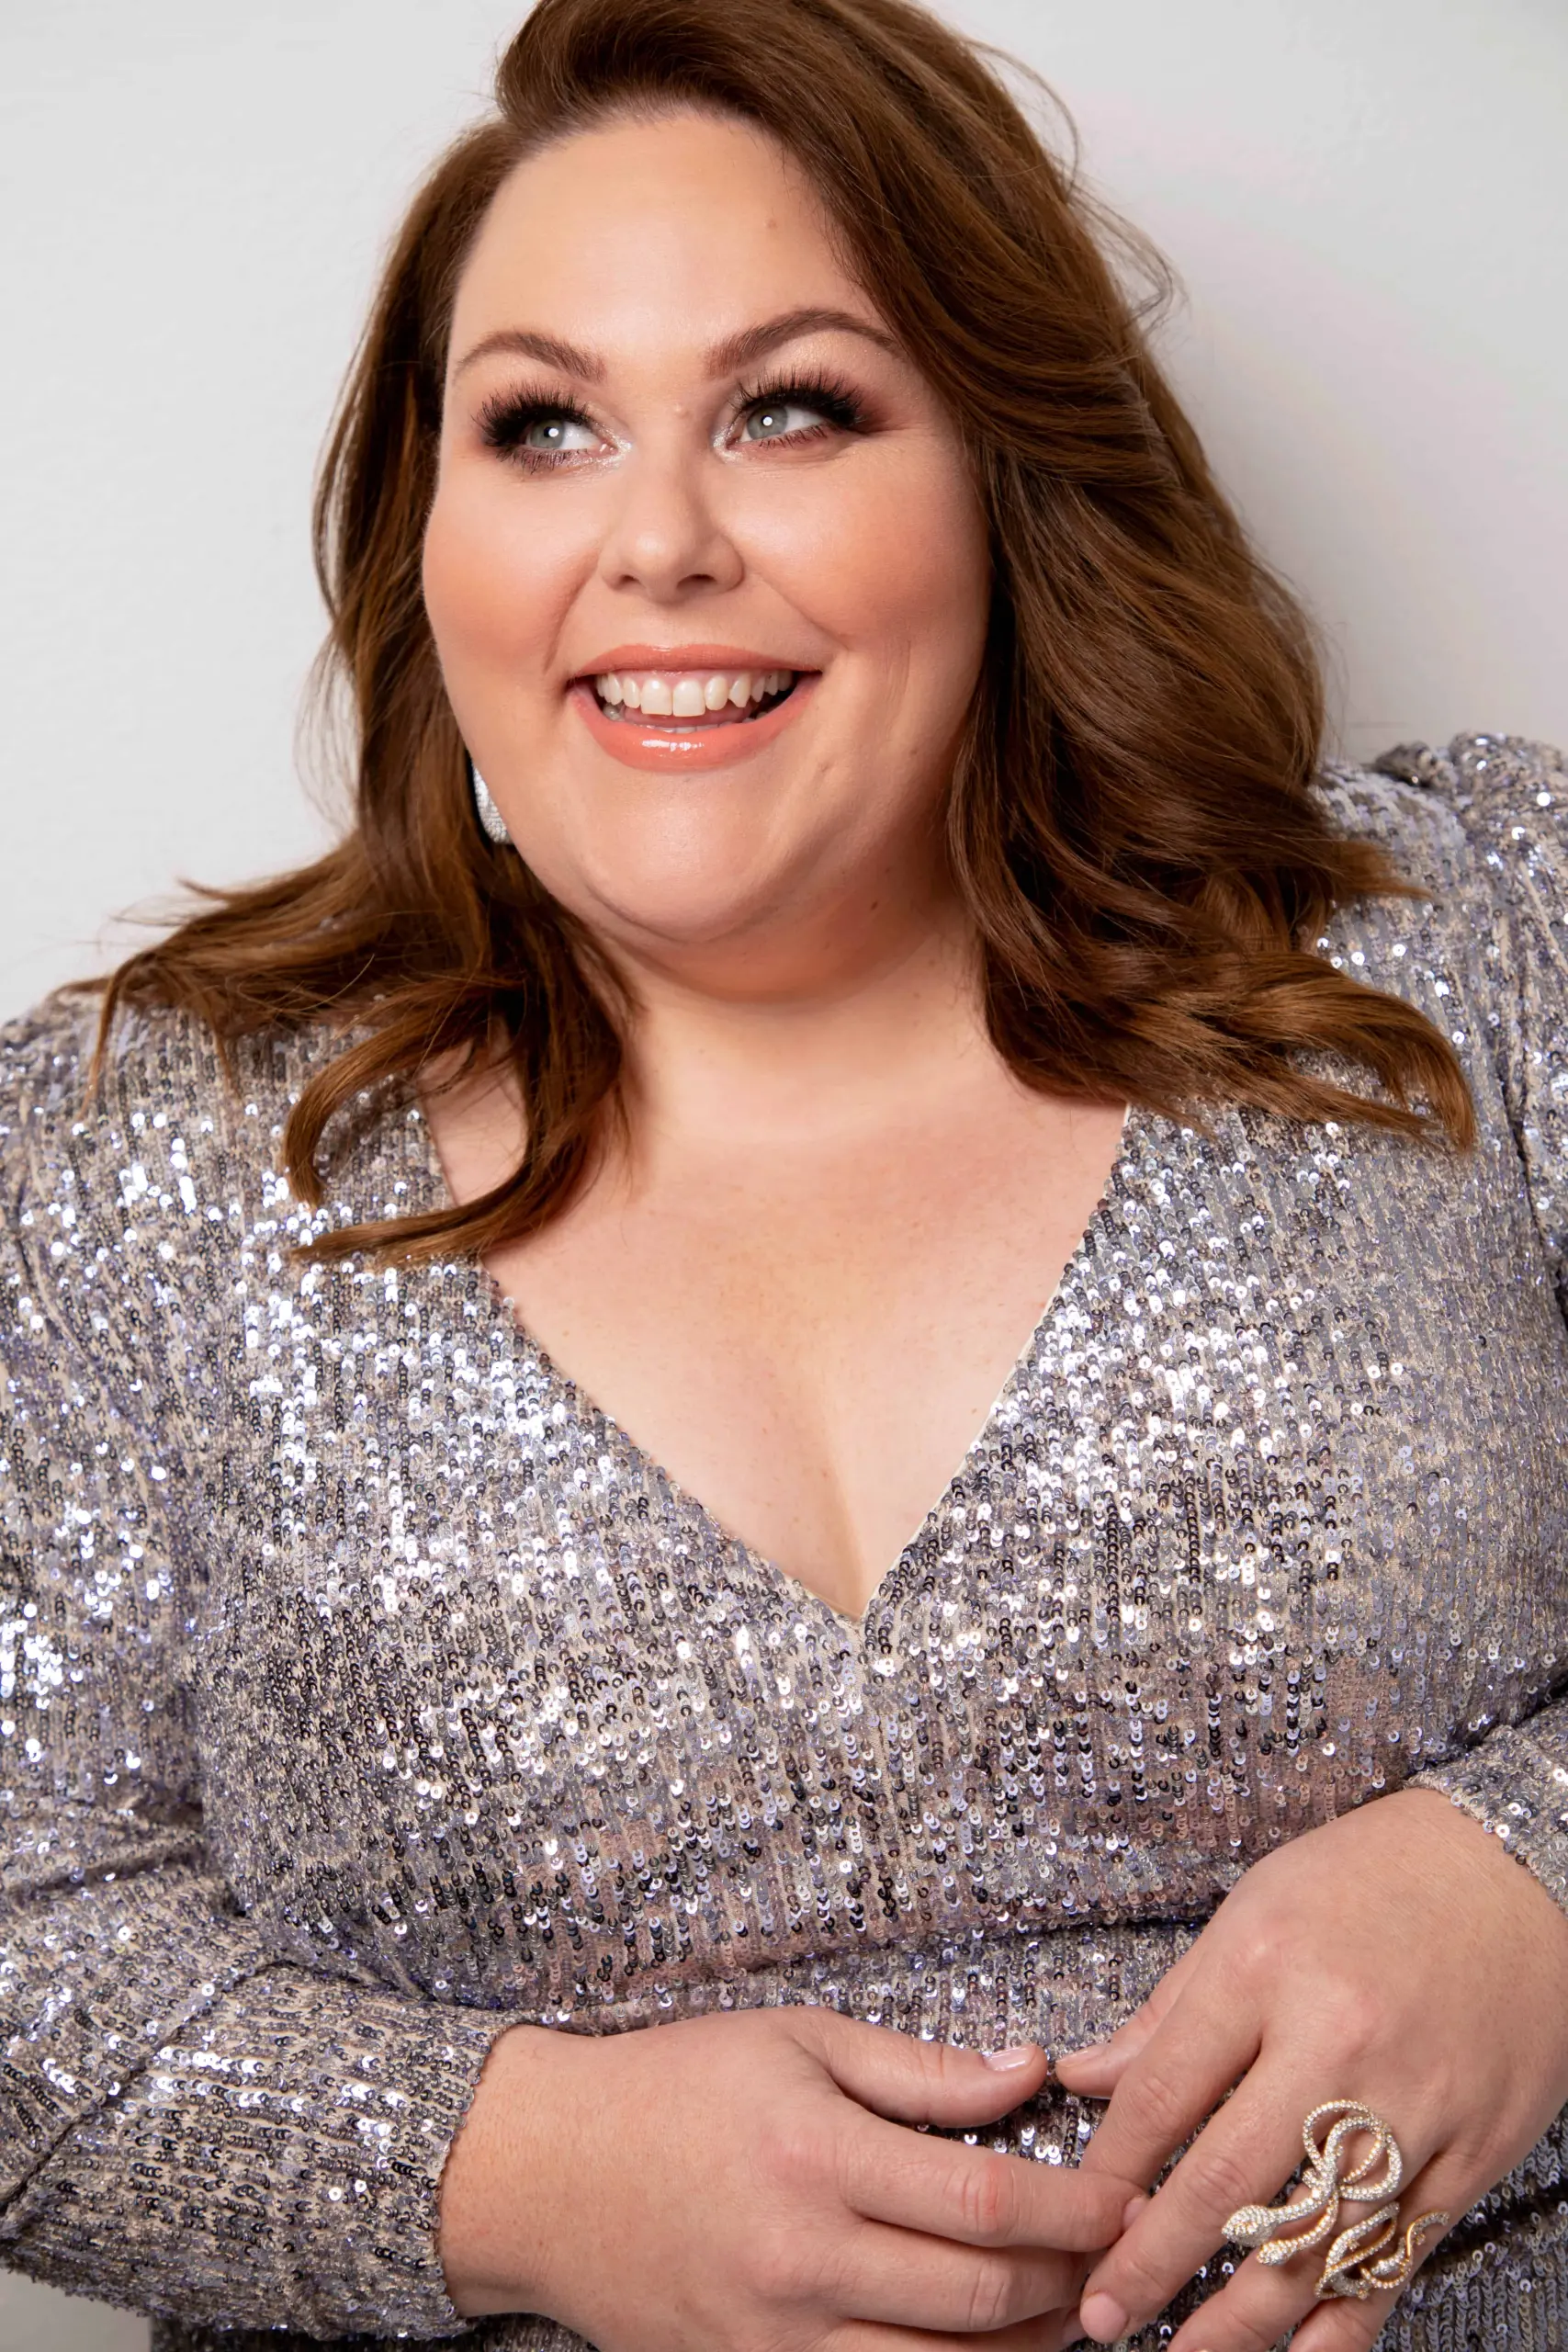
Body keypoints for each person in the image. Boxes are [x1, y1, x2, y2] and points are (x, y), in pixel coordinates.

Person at [2, 0, 1566, 2346]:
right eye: (541, 426)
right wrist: (516, 2174)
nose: (656, 539)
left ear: (1005, 476)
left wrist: (1536, 1888)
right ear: (432, 534)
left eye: (792, 406)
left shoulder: (1473, 957)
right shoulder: (133, 1157)